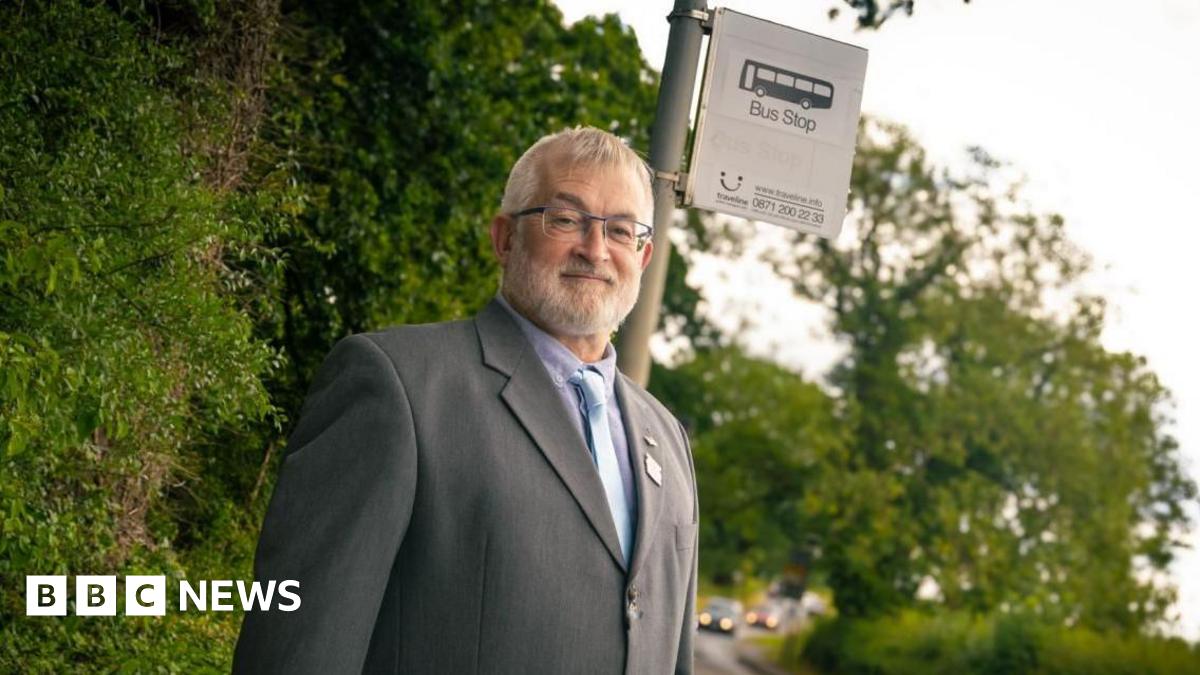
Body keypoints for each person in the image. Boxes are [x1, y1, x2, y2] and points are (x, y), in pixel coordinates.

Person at [233, 127, 699, 674]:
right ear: (505, 238)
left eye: (620, 230)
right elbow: (298, 648)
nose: (595, 250)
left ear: (643, 257)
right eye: (565, 219)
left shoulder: (668, 438)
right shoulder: (397, 385)